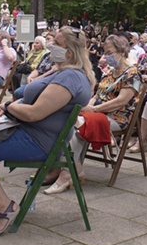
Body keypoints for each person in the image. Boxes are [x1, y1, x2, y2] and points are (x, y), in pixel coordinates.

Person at [0, 27, 94, 236]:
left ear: (69, 53)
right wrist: (9, 105)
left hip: (38, 141)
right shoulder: (63, 72)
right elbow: (33, 99)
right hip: (32, 133)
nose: (51, 46)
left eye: (57, 42)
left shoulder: (69, 78)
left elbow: (34, 113)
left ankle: (3, 203)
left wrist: (9, 107)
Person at [45, 34, 141, 194]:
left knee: (76, 129)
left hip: (116, 117)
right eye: (105, 52)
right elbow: (97, 96)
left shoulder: (133, 74)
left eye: (110, 52)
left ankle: (66, 174)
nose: (106, 56)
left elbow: (122, 101)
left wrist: (95, 109)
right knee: (65, 121)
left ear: (122, 51)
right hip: (97, 113)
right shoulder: (110, 73)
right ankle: (74, 169)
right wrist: (86, 106)